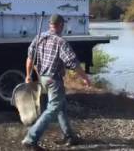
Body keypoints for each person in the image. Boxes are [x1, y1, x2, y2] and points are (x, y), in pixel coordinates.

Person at [22, 14, 91, 150]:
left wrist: (28, 75)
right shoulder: (60, 41)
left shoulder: (39, 37)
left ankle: (69, 136)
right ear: (61, 25)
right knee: (53, 108)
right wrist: (84, 77)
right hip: (54, 80)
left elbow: (29, 57)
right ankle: (31, 139)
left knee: (61, 106)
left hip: (43, 78)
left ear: (50, 24)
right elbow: (73, 62)